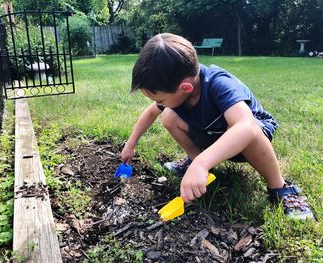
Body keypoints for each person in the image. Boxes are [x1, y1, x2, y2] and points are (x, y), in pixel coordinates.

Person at [120, 33, 314, 220]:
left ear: (185, 88)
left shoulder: (218, 83)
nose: (158, 103)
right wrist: (131, 143)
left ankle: (280, 187)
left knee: (249, 128)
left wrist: (202, 163)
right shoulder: (178, 92)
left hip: (249, 140)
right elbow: (151, 112)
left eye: (160, 98)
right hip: (214, 135)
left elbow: (244, 126)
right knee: (169, 116)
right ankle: (196, 162)